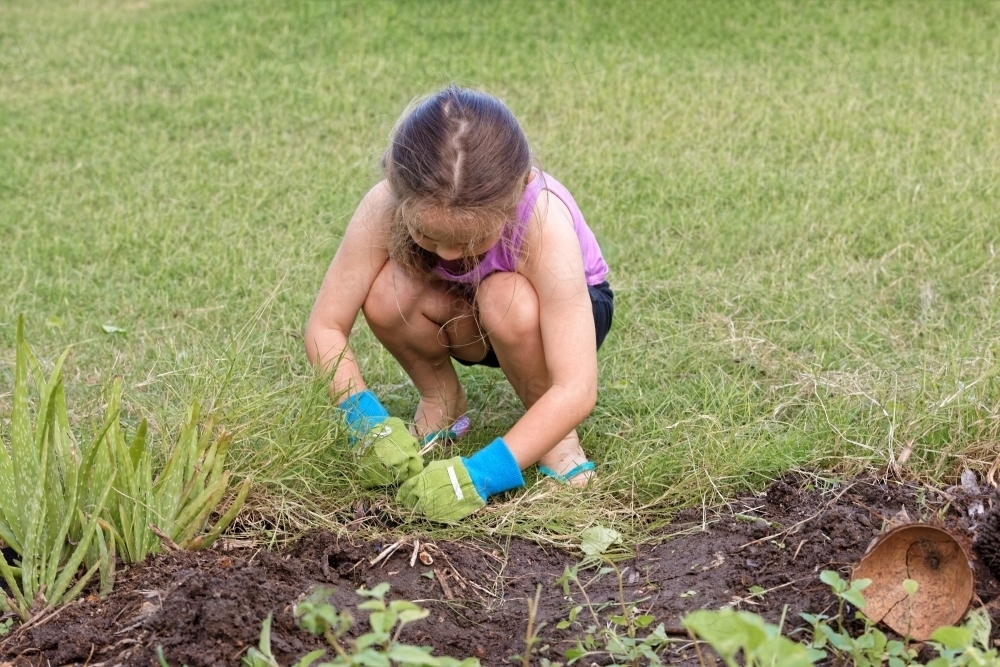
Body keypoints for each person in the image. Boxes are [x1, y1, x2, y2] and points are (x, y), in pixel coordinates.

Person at [304, 85, 613, 522]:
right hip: (466, 316)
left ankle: (557, 439)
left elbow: (577, 387)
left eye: (471, 240)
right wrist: (366, 424)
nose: (448, 255)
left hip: (547, 321)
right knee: (387, 290)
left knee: (506, 296)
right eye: (428, 237)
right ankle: (441, 402)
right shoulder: (385, 205)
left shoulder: (542, 219)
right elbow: (325, 328)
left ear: (517, 190)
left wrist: (480, 474)